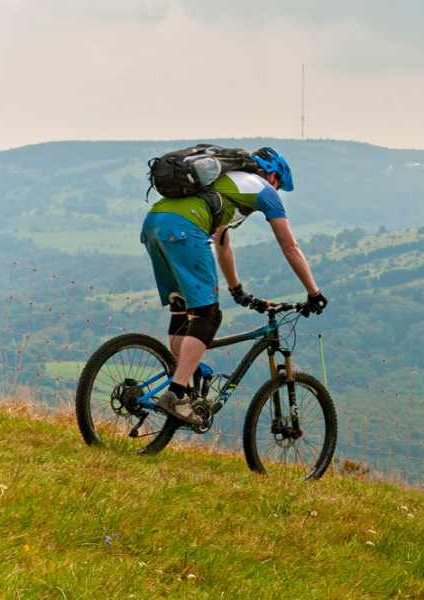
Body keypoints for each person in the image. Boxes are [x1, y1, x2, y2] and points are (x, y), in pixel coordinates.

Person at [140, 146, 327, 424]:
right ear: (273, 175)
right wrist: (314, 292)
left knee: (182, 311)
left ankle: (179, 377)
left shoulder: (221, 183)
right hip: (184, 230)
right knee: (208, 316)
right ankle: (177, 393)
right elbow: (290, 246)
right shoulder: (263, 190)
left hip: (154, 225)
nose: (277, 190)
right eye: (279, 184)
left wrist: (236, 289)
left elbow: (222, 242)